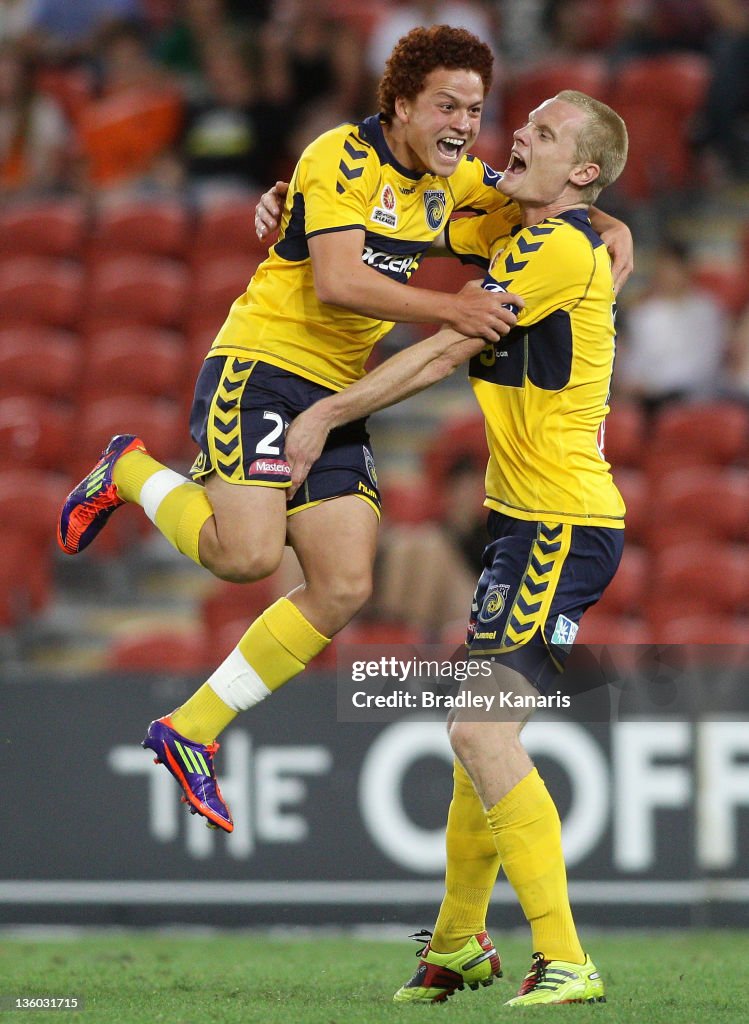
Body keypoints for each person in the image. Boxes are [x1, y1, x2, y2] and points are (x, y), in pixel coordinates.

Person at [57, 25, 525, 833]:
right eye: (446, 104)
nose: (462, 123)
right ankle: (127, 470)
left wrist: (610, 228)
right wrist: (453, 305)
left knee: (344, 585)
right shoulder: (339, 156)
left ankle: (190, 730)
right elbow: (341, 282)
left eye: (475, 109)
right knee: (245, 558)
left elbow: (546, 207)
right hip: (262, 367)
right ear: (403, 103)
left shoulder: (462, 183)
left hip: (336, 395)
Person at [279, 89, 629, 1006]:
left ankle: (565, 958)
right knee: (478, 741)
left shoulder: (556, 245)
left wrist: (327, 409)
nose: (518, 135)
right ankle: (457, 945)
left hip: (561, 521)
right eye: (526, 125)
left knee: (477, 730)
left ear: (581, 172)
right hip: (523, 519)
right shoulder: (519, 234)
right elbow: (409, 230)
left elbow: (441, 351)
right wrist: (300, 206)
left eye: (544, 135)